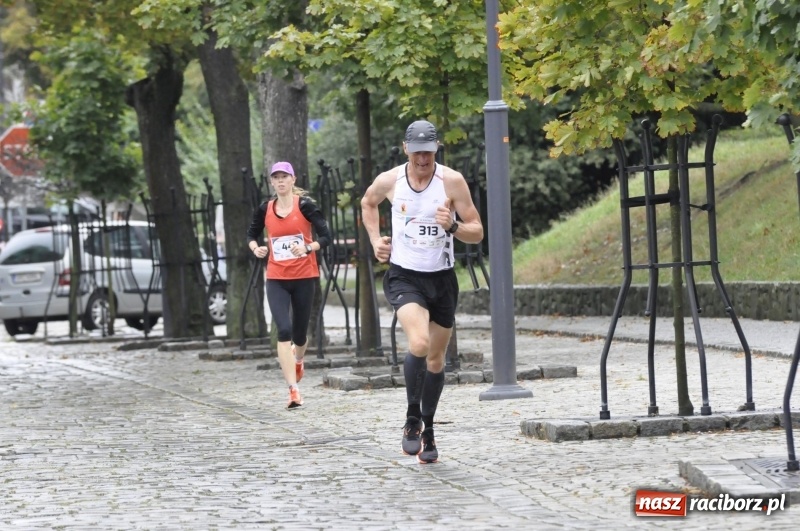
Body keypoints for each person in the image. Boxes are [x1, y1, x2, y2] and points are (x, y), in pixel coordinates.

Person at [361, 120, 484, 463]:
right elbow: (367, 203)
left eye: (428, 152)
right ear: (406, 150)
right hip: (405, 277)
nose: (422, 158)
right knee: (419, 343)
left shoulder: (452, 181)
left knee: (435, 360)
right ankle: (412, 416)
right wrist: (375, 241)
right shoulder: (390, 181)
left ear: (436, 149)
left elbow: (477, 232)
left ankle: (428, 429)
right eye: (416, 152)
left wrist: (453, 226)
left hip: (441, 279)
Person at [247, 161, 331, 409]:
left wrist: (307, 247)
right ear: (272, 183)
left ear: (293, 180)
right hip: (276, 278)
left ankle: (299, 359)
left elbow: (326, 236)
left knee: (299, 334)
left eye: (285, 177)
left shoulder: (304, 206)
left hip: (304, 276)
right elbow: (251, 234)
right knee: (283, 330)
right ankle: (293, 390)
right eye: (276, 178)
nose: (281, 181)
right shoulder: (265, 208)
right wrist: (256, 248)